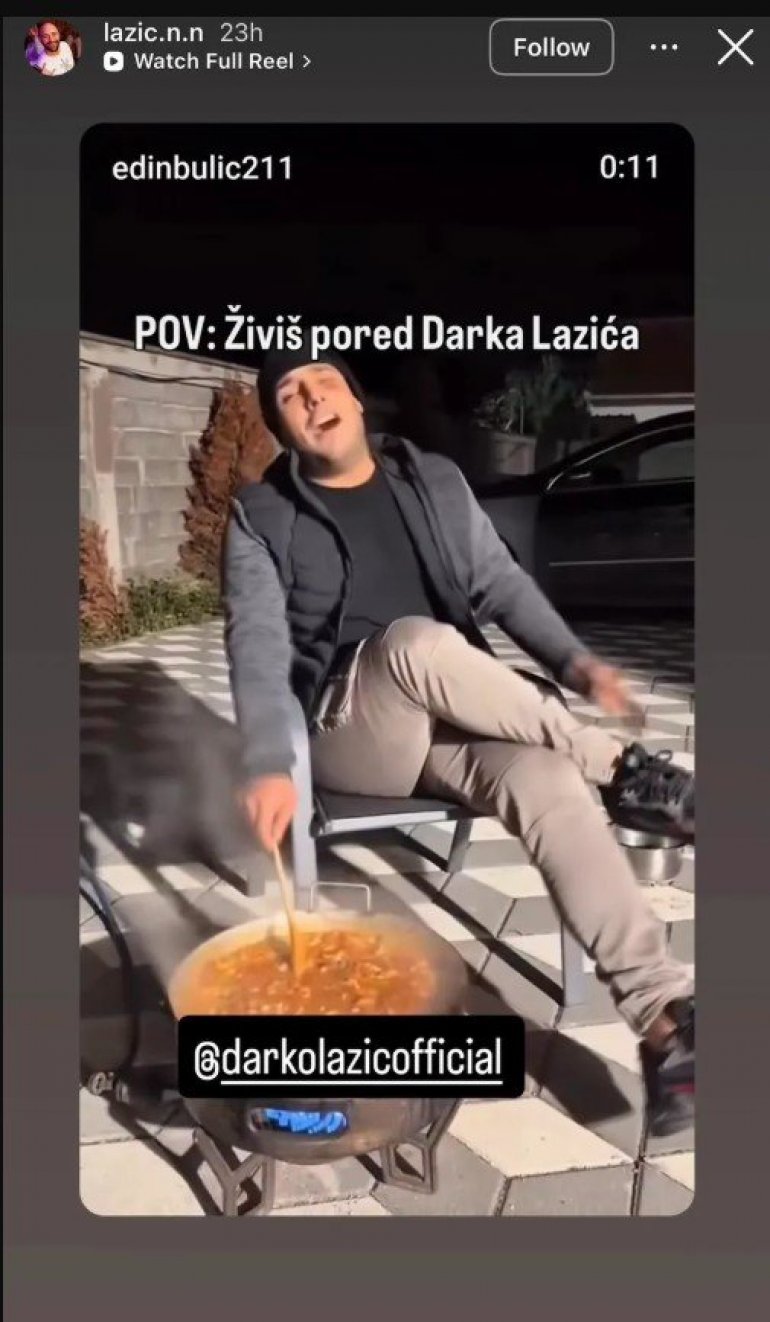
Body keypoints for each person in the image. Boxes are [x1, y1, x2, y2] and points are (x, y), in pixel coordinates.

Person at [222, 342, 695, 1135]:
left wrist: (576, 664)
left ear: (356, 399)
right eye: (290, 395)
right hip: (352, 729)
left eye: (323, 381)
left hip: (447, 717)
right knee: (419, 642)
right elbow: (259, 650)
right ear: (281, 426)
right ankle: (627, 772)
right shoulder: (260, 515)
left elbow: (499, 585)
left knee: (546, 778)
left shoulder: (431, 478)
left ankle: (664, 1022)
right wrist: (270, 761)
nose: (311, 399)